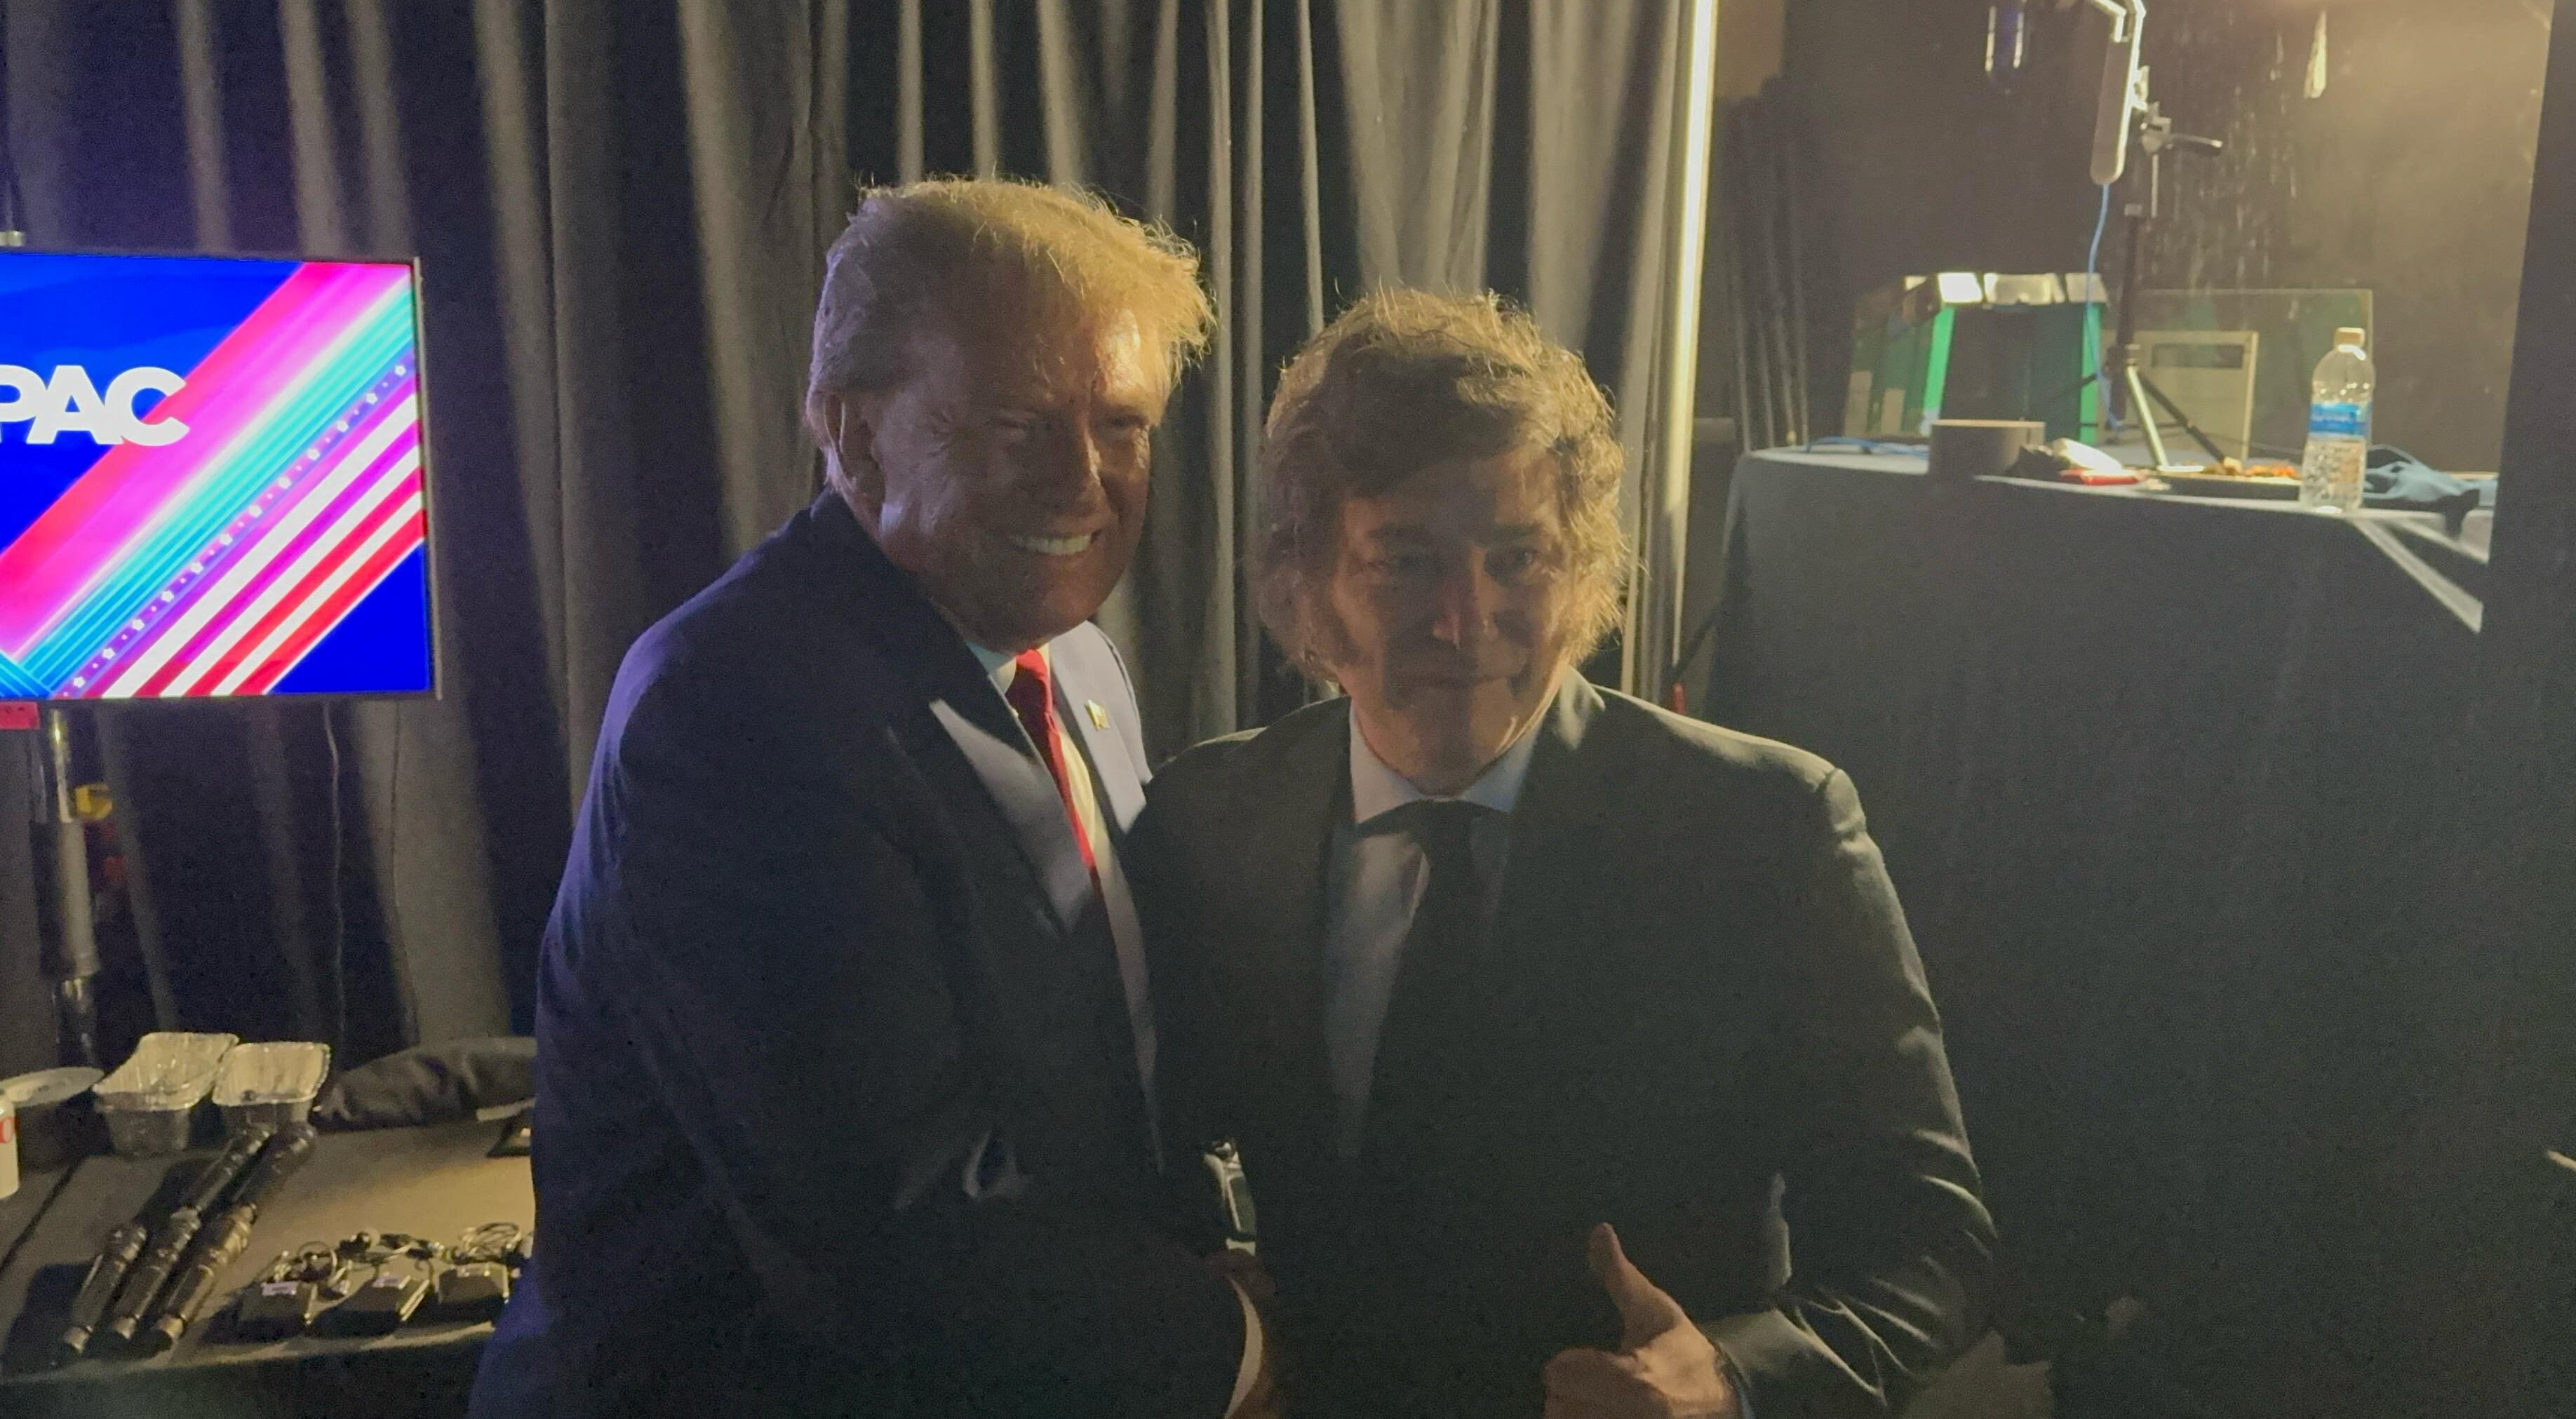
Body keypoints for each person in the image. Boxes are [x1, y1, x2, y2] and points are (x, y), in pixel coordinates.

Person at [471, 179, 1269, 1419]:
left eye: (1123, 422)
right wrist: (1240, 1346)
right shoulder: (736, 715)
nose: (1085, 479)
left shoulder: (1078, 659)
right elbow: (898, 1234)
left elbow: (1110, 1066)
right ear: (848, 433)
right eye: (1018, 423)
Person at [1129, 289, 1996, 1419]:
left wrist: (1729, 1379)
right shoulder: (1214, 819)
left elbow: (1932, 1245)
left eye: (1516, 557)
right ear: (1304, 582)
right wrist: (1208, 1310)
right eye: (1406, 561)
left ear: (1583, 569)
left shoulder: (1769, 832)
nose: (1467, 617)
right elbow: (1148, 1161)